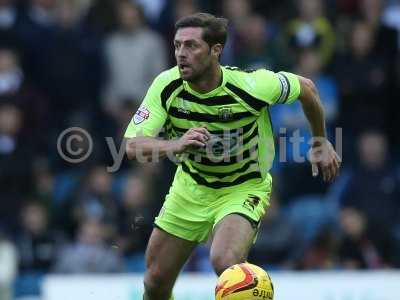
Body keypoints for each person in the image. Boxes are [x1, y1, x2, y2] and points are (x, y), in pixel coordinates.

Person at [124, 13, 341, 300]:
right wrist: (175, 145)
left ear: (216, 50)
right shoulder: (167, 86)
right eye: (177, 46)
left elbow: (308, 89)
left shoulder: (251, 85)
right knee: (155, 281)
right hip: (191, 188)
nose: (181, 54)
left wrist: (320, 141)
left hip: (243, 187)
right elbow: (132, 145)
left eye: (191, 46)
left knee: (225, 262)